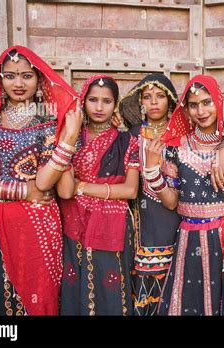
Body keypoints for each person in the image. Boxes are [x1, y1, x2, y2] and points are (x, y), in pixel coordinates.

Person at [0, 45, 82, 315]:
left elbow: (49, 186)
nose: (18, 83)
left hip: (37, 226)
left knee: (39, 299)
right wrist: (19, 190)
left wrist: (70, 139)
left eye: (26, 76)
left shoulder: (50, 123)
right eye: (10, 75)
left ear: (39, 80)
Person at [146, 75, 224, 315]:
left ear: (218, 102)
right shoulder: (176, 147)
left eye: (207, 102)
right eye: (194, 105)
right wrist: (151, 170)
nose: (201, 110)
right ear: (185, 110)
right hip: (189, 240)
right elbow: (171, 202)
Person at [57, 75, 139, 315]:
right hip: (73, 224)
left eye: (107, 101)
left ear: (116, 105)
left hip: (111, 228)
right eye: (93, 100)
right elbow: (64, 190)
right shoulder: (71, 139)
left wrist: (81, 187)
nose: (100, 107)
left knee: (110, 288)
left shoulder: (127, 141)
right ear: (83, 102)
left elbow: (130, 190)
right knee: (73, 284)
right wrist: (68, 138)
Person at [118, 73, 181, 315]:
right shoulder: (131, 136)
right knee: (142, 288)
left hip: (174, 221)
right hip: (140, 225)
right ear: (141, 103)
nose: (154, 102)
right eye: (147, 97)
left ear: (171, 101)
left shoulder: (180, 137)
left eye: (160, 96)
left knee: (173, 285)